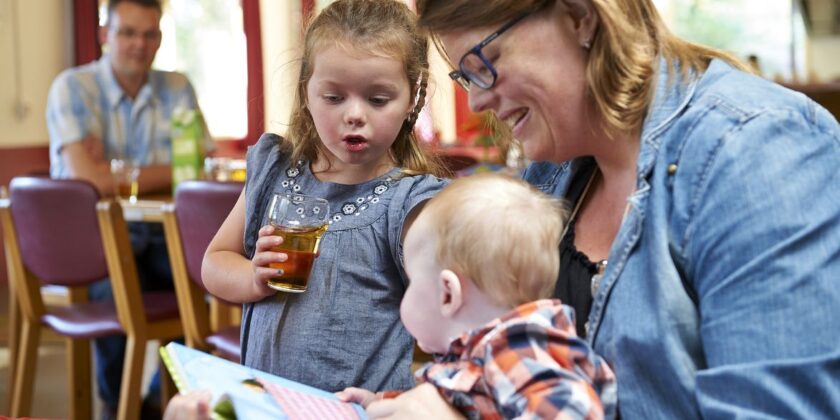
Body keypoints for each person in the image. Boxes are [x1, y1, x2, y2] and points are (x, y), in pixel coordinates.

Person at [396, 0, 840, 418]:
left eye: (484, 63)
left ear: (580, 16)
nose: (476, 101)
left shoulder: (757, 152)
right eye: (465, 78)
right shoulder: (550, 176)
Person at [202, 0, 448, 397]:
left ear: (412, 100)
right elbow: (214, 262)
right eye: (334, 97)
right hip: (268, 403)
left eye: (378, 99)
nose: (354, 114)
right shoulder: (274, 170)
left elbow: (450, 311)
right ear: (307, 93)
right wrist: (252, 278)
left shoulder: (411, 202)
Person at [45, 0, 212, 417]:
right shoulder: (73, 87)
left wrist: (117, 171)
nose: (140, 44)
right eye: (127, 33)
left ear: (159, 37)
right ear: (105, 34)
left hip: (163, 238)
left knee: (207, 288)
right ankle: (117, 408)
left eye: (150, 34)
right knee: (120, 295)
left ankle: (158, 402)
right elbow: (92, 181)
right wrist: (160, 170)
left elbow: (197, 169)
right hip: (97, 245)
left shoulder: (177, 87)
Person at [337, 173, 616, 419]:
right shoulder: (479, 352)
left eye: (412, 281)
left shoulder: (519, 353)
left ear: (448, 294)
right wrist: (381, 404)